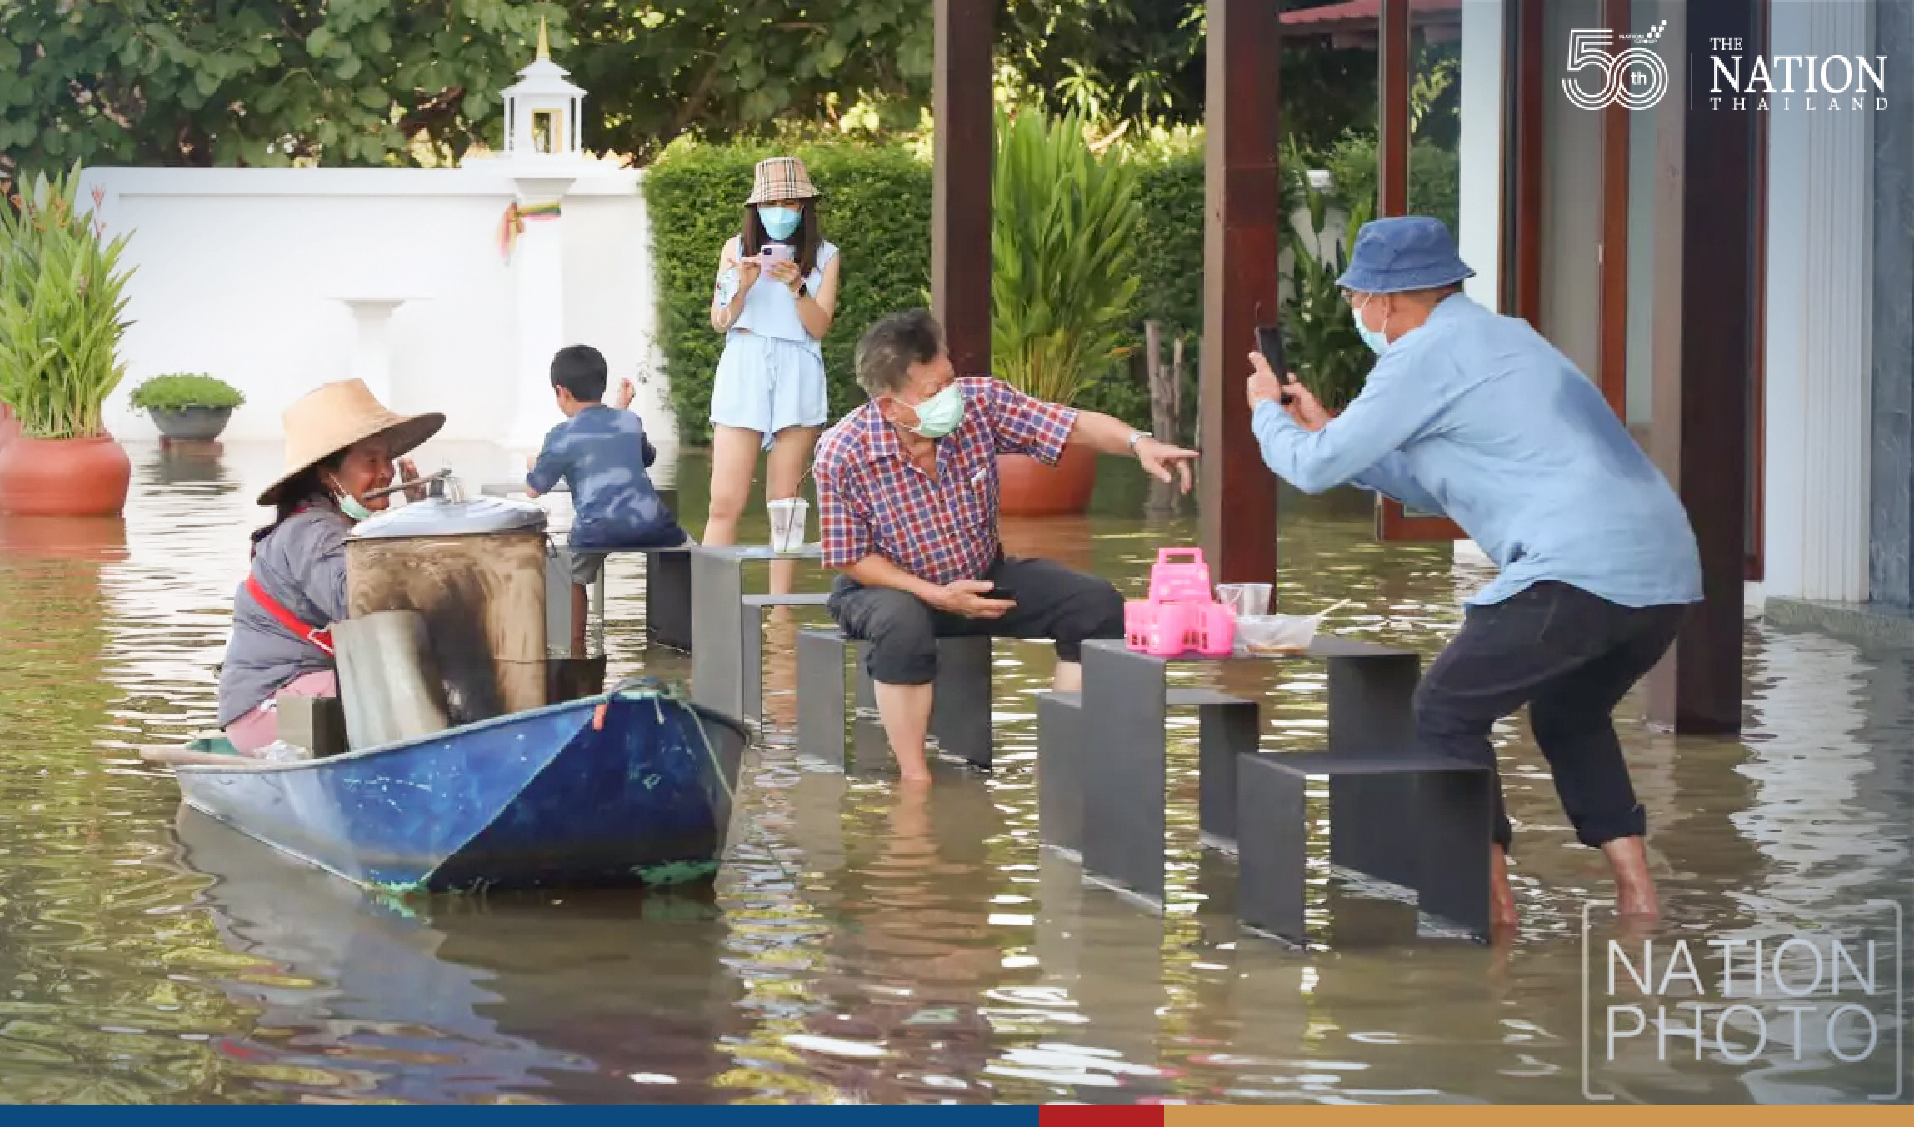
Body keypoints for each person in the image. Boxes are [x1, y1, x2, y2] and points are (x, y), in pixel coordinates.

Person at [1244, 215, 1703, 928]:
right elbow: (1435, 482)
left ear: (1387, 301)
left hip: (1575, 569)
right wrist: (1325, 424)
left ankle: (1492, 910)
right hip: (1667, 573)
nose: (1357, 314)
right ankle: (1639, 901)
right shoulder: (1508, 337)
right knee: (1570, 713)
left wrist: (1265, 417)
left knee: (1443, 712)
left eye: (1356, 298)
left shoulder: (1420, 356)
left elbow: (1308, 470)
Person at [815, 309, 1201, 785]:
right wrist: (935, 595)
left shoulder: (981, 403)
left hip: (980, 576)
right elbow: (850, 556)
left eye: (949, 380)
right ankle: (916, 784)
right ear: (890, 406)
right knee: (902, 623)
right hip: (885, 588)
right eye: (934, 393)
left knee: (1097, 607)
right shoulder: (841, 452)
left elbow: (1070, 424)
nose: (950, 398)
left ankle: (1054, 766)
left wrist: (1139, 443)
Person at [217, 379, 442, 756]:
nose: (385, 472)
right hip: (269, 708)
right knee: (402, 688)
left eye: (387, 459)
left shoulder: (343, 528)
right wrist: (417, 526)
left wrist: (418, 520)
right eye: (370, 461)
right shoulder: (313, 531)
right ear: (327, 475)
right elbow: (357, 606)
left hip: (305, 693)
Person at [706, 155, 841, 595]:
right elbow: (720, 320)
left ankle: (780, 610)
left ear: (803, 207)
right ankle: (712, 605)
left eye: (790, 201)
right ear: (756, 207)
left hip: (798, 368)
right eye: (771, 202)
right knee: (724, 500)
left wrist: (796, 285)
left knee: (785, 503)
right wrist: (741, 284)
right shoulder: (734, 248)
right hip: (744, 365)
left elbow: (819, 325)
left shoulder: (825, 256)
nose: (780, 210)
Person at [525, 343, 689, 637]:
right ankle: (685, 640)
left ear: (562, 392)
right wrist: (621, 409)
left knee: (571, 576)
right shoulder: (629, 420)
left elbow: (534, 489)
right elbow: (646, 457)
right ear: (601, 385)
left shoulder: (560, 436)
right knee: (692, 551)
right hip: (652, 526)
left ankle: (576, 647)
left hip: (595, 532)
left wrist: (534, 462)